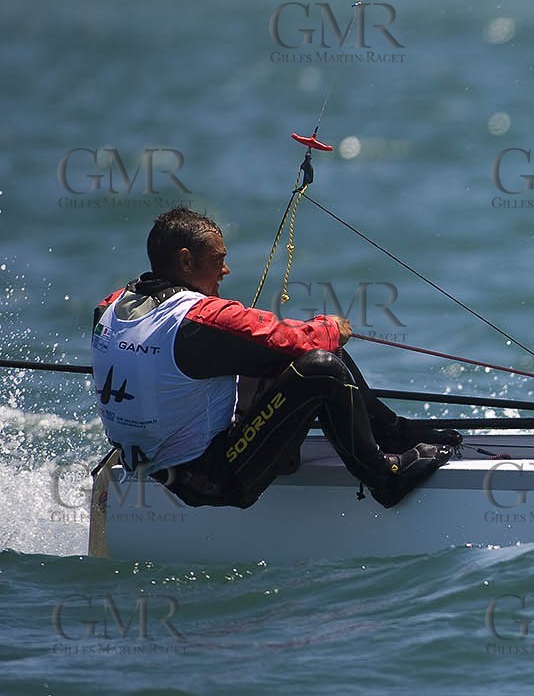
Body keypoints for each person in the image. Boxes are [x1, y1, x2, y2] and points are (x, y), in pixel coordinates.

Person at [91, 206, 459, 509]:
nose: (225, 270)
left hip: (147, 465)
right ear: (186, 262)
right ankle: (384, 476)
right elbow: (285, 338)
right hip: (211, 479)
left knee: (294, 362)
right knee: (322, 367)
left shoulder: (110, 307)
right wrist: (329, 328)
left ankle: (392, 433)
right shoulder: (197, 319)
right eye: (218, 260)